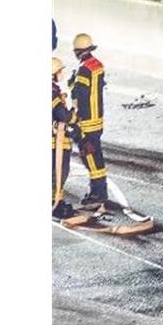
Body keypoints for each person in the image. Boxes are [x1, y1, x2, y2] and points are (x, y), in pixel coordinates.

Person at [70, 33, 110, 208]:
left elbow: (80, 96)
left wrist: (78, 123)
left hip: (87, 122)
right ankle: (101, 191)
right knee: (97, 156)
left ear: (77, 51)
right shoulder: (97, 65)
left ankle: (98, 193)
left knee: (90, 158)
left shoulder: (83, 69)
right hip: (98, 119)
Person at [52, 57, 77, 219]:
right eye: (60, 71)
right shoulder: (51, 92)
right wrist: (74, 110)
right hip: (56, 143)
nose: (62, 73)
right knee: (58, 173)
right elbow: (64, 116)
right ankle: (55, 205)